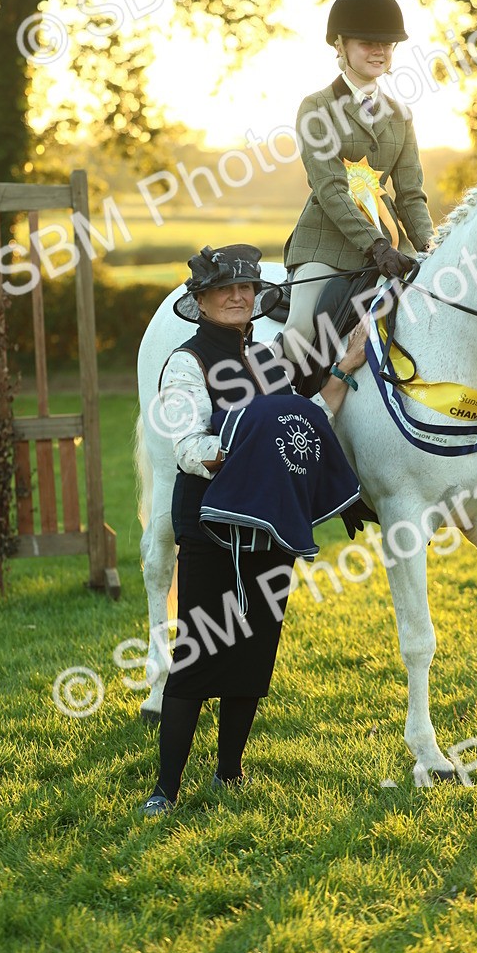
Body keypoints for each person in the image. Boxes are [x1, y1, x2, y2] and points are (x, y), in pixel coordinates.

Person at [142, 243, 368, 817]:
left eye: (245, 288)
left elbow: (308, 415)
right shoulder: (185, 363)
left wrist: (346, 364)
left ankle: (229, 774)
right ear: (202, 301)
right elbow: (189, 446)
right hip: (209, 525)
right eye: (225, 289)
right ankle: (165, 790)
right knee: (195, 658)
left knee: (252, 653)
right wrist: (246, 448)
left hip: (270, 526)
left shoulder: (268, 359)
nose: (238, 296)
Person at [282, 0, 434, 364]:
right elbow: (330, 188)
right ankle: (284, 414)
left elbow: (412, 194)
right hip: (326, 245)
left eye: (386, 43)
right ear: (340, 45)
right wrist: (375, 244)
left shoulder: (400, 115)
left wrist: (431, 248)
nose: (379, 51)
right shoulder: (316, 108)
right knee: (300, 330)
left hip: (388, 250)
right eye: (367, 42)